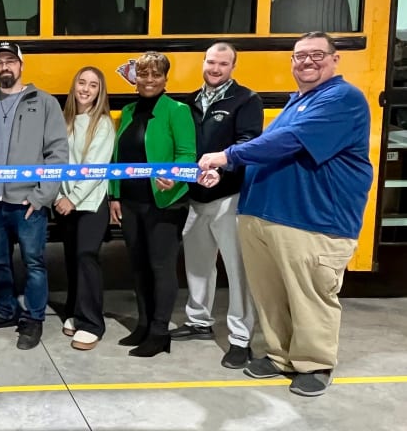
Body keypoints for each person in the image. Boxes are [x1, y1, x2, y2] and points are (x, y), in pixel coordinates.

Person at [199, 32, 372, 397]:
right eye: (299, 56)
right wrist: (224, 171)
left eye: (316, 55)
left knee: (309, 295)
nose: (307, 62)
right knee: (271, 294)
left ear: (335, 59)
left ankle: (314, 362)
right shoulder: (298, 102)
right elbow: (265, 152)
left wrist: (226, 156)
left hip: (312, 220)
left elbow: (288, 143)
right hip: (266, 217)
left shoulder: (343, 99)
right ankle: (279, 355)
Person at [171, 42, 263, 370]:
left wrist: (222, 167)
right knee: (197, 265)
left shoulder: (246, 100)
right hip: (195, 197)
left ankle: (240, 339)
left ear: (232, 66)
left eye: (223, 64)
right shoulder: (190, 102)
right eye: (211, 62)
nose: (215, 68)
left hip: (229, 197)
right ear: (203, 63)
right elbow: (181, 147)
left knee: (238, 270)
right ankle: (199, 321)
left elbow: (248, 145)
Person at [0, 42, 69, 350]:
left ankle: (34, 318)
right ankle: (4, 308)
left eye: (10, 61)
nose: (5, 66)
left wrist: (42, 196)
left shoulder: (43, 102)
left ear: (21, 65)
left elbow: (57, 153)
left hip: (28, 203)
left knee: (34, 263)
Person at [108, 52, 196, 358]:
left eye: (155, 75)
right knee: (138, 266)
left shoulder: (177, 111)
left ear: (165, 78)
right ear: (135, 79)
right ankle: (143, 325)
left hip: (164, 203)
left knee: (161, 267)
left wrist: (173, 176)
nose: (149, 80)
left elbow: (187, 155)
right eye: (143, 75)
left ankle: (160, 333)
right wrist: (114, 196)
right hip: (131, 202)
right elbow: (117, 159)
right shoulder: (129, 111)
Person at [54, 66, 115, 351]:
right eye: (82, 82)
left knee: (86, 257)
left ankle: (92, 323)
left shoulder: (101, 123)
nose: (86, 89)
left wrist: (73, 198)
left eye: (93, 85)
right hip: (64, 203)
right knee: (72, 259)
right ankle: (75, 313)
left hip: (89, 203)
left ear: (99, 91)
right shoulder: (64, 120)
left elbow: (95, 168)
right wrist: (58, 195)